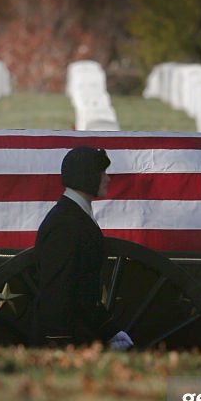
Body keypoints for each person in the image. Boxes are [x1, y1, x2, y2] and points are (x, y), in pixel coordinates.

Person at [32, 146, 133, 350]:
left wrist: (109, 330)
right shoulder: (66, 223)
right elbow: (58, 291)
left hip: (80, 331)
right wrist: (60, 343)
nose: (108, 178)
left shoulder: (73, 217)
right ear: (86, 176)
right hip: (69, 337)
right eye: (102, 172)